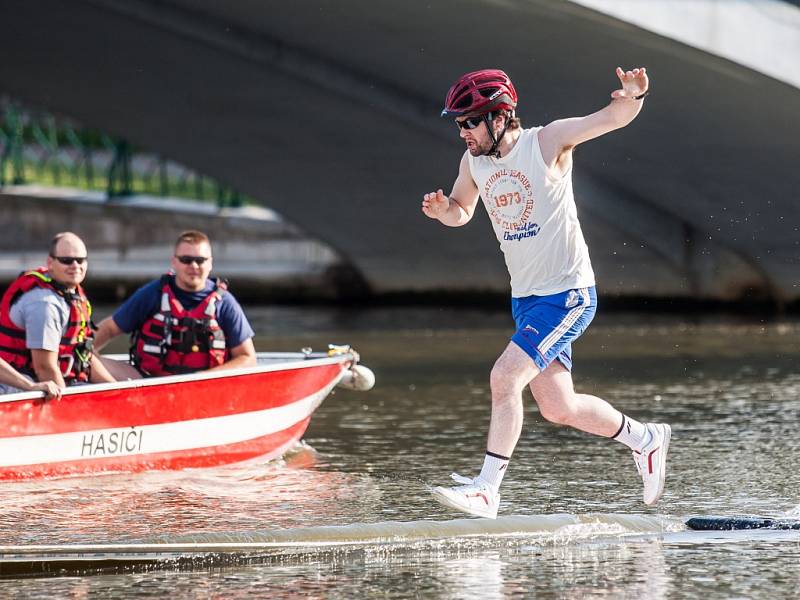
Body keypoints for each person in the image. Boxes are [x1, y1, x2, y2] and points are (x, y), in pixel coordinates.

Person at [422, 67, 670, 519]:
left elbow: (609, 118)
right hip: (527, 299)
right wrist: (444, 212)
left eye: (470, 121)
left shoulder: (547, 142)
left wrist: (633, 96)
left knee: (504, 377)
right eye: (458, 123)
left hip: (568, 293)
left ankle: (487, 490)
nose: (463, 132)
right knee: (560, 407)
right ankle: (645, 438)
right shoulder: (473, 163)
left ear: (500, 116)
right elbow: (463, 210)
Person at [93, 230, 256, 378]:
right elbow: (110, 328)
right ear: (174, 262)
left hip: (206, 386)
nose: (193, 266)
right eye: (186, 260)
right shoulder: (152, 294)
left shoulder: (225, 303)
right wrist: (85, 353)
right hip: (149, 382)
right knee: (85, 361)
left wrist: (204, 378)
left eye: (200, 260)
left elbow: (247, 358)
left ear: (210, 263)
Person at [0, 232, 116, 393]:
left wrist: (118, 390)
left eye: (80, 260)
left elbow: (83, 356)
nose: (75, 265)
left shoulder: (73, 297)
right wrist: (67, 407)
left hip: (62, 379)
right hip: (25, 382)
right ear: (50, 263)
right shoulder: (45, 304)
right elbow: (44, 368)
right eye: (66, 261)